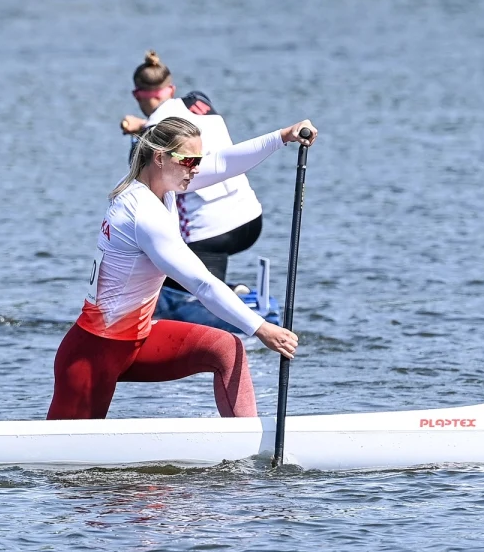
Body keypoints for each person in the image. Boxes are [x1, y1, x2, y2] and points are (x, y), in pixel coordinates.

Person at [48, 116, 318, 420]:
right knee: (63, 467)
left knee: (226, 349)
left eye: (197, 160)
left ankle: (247, 455)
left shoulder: (164, 186)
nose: (197, 168)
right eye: (189, 161)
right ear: (161, 158)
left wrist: (282, 136)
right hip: (93, 354)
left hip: (138, 342)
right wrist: (261, 328)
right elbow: (202, 284)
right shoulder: (143, 214)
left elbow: (223, 163)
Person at [120, 52, 265, 327]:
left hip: (212, 234)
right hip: (251, 220)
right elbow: (180, 126)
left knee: (169, 273)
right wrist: (145, 125)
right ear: (171, 89)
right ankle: (233, 291)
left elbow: (142, 179)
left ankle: (227, 300)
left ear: (137, 95)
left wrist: (139, 132)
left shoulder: (151, 137)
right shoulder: (199, 101)